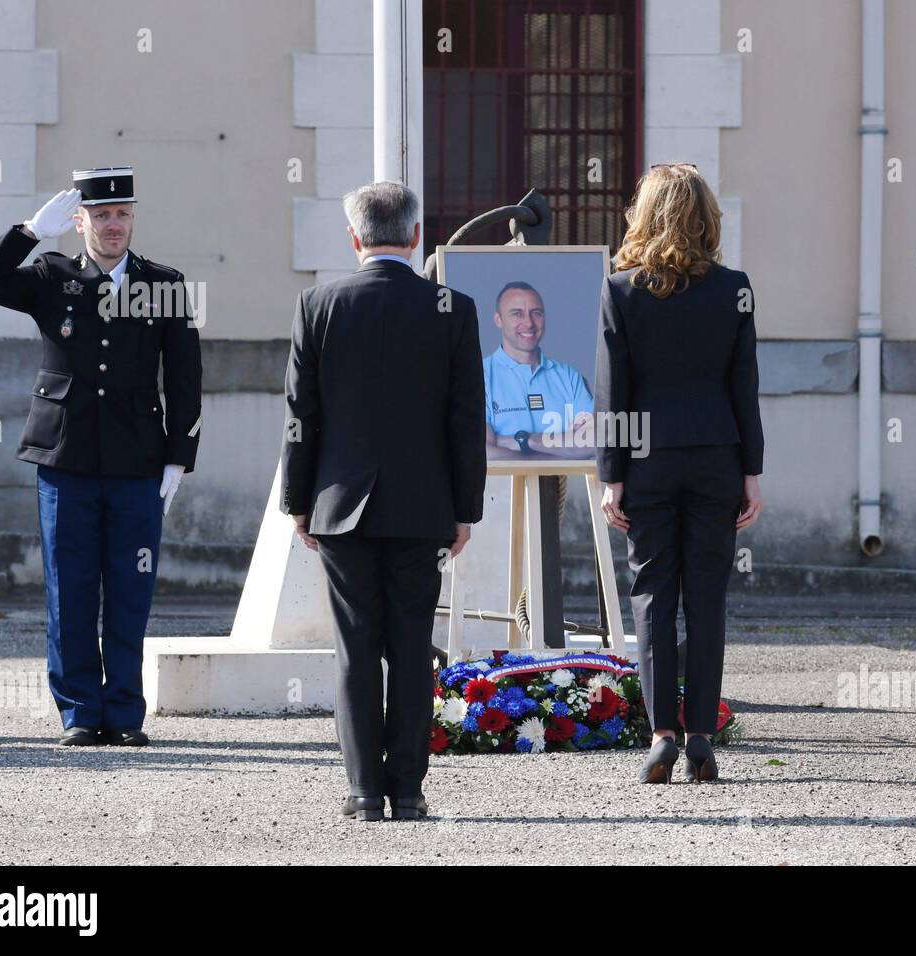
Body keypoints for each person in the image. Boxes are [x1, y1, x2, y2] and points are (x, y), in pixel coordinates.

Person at [0, 167, 202, 747]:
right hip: (64, 458)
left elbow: (187, 377)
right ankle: (78, 713)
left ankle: (123, 712)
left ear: (132, 217)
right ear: (79, 220)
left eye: (120, 214)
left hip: (138, 461)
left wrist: (179, 458)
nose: (111, 225)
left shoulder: (165, 283)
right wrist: (27, 232)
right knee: (69, 589)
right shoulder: (51, 275)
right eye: (99, 215)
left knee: (129, 589)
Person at [280, 181, 486, 822]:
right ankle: (410, 789)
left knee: (356, 649)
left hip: (340, 505)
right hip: (423, 505)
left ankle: (365, 791)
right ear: (417, 234)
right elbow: (465, 418)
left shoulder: (317, 304)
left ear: (354, 237)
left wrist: (297, 500)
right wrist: (465, 509)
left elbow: (300, 415)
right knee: (411, 645)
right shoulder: (454, 307)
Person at [595, 162, 764, 785]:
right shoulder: (734, 288)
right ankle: (700, 737)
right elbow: (745, 387)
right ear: (706, 217)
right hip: (717, 456)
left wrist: (612, 475)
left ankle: (662, 735)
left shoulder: (621, 289)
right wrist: (751, 471)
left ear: (645, 214)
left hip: (647, 459)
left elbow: (614, 393)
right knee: (708, 598)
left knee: (653, 596)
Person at [483, 281, 595, 459]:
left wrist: (526, 441)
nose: (528, 323)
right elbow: (484, 452)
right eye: (517, 314)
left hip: (562, 486)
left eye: (536, 313)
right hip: (501, 487)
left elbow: (594, 442)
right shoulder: (480, 377)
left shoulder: (569, 377)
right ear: (498, 320)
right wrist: (562, 449)